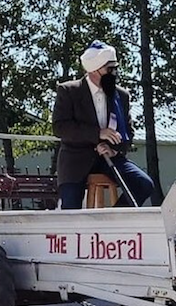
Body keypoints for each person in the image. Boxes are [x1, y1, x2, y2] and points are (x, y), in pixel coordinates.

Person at [52, 40, 154, 210]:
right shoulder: (69, 90)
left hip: (109, 158)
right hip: (75, 159)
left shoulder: (121, 95)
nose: (114, 73)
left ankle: (111, 222)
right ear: (94, 69)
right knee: (70, 209)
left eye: (116, 68)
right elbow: (60, 127)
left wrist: (115, 149)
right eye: (109, 69)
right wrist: (98, 133)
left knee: (143, 184)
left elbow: (128, 133)